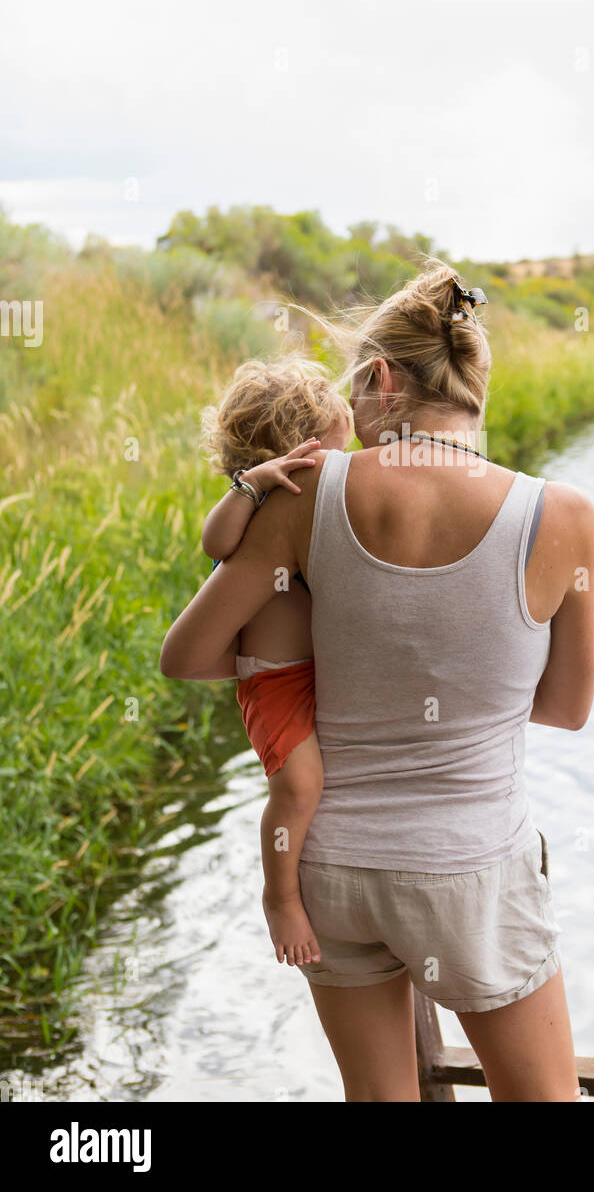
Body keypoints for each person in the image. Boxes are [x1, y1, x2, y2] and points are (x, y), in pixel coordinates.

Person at [161, 262, 594, 1102]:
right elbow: (566, 709)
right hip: (471, 868)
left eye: (351, 394)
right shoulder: (564, 515)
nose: (350, 424)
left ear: (382, 378)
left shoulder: (305, 493)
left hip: (331, 869)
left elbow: (190, 654)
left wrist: (317, 672)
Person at [197, 356, 353, 966]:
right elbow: (213, 544)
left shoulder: (318, 514)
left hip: (313, 674)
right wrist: (253, 484)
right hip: (274, 681)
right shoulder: (254, 509)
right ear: (293, 459)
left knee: (323, 779)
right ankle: (280, 897)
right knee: (298, 786)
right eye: (333, 457)